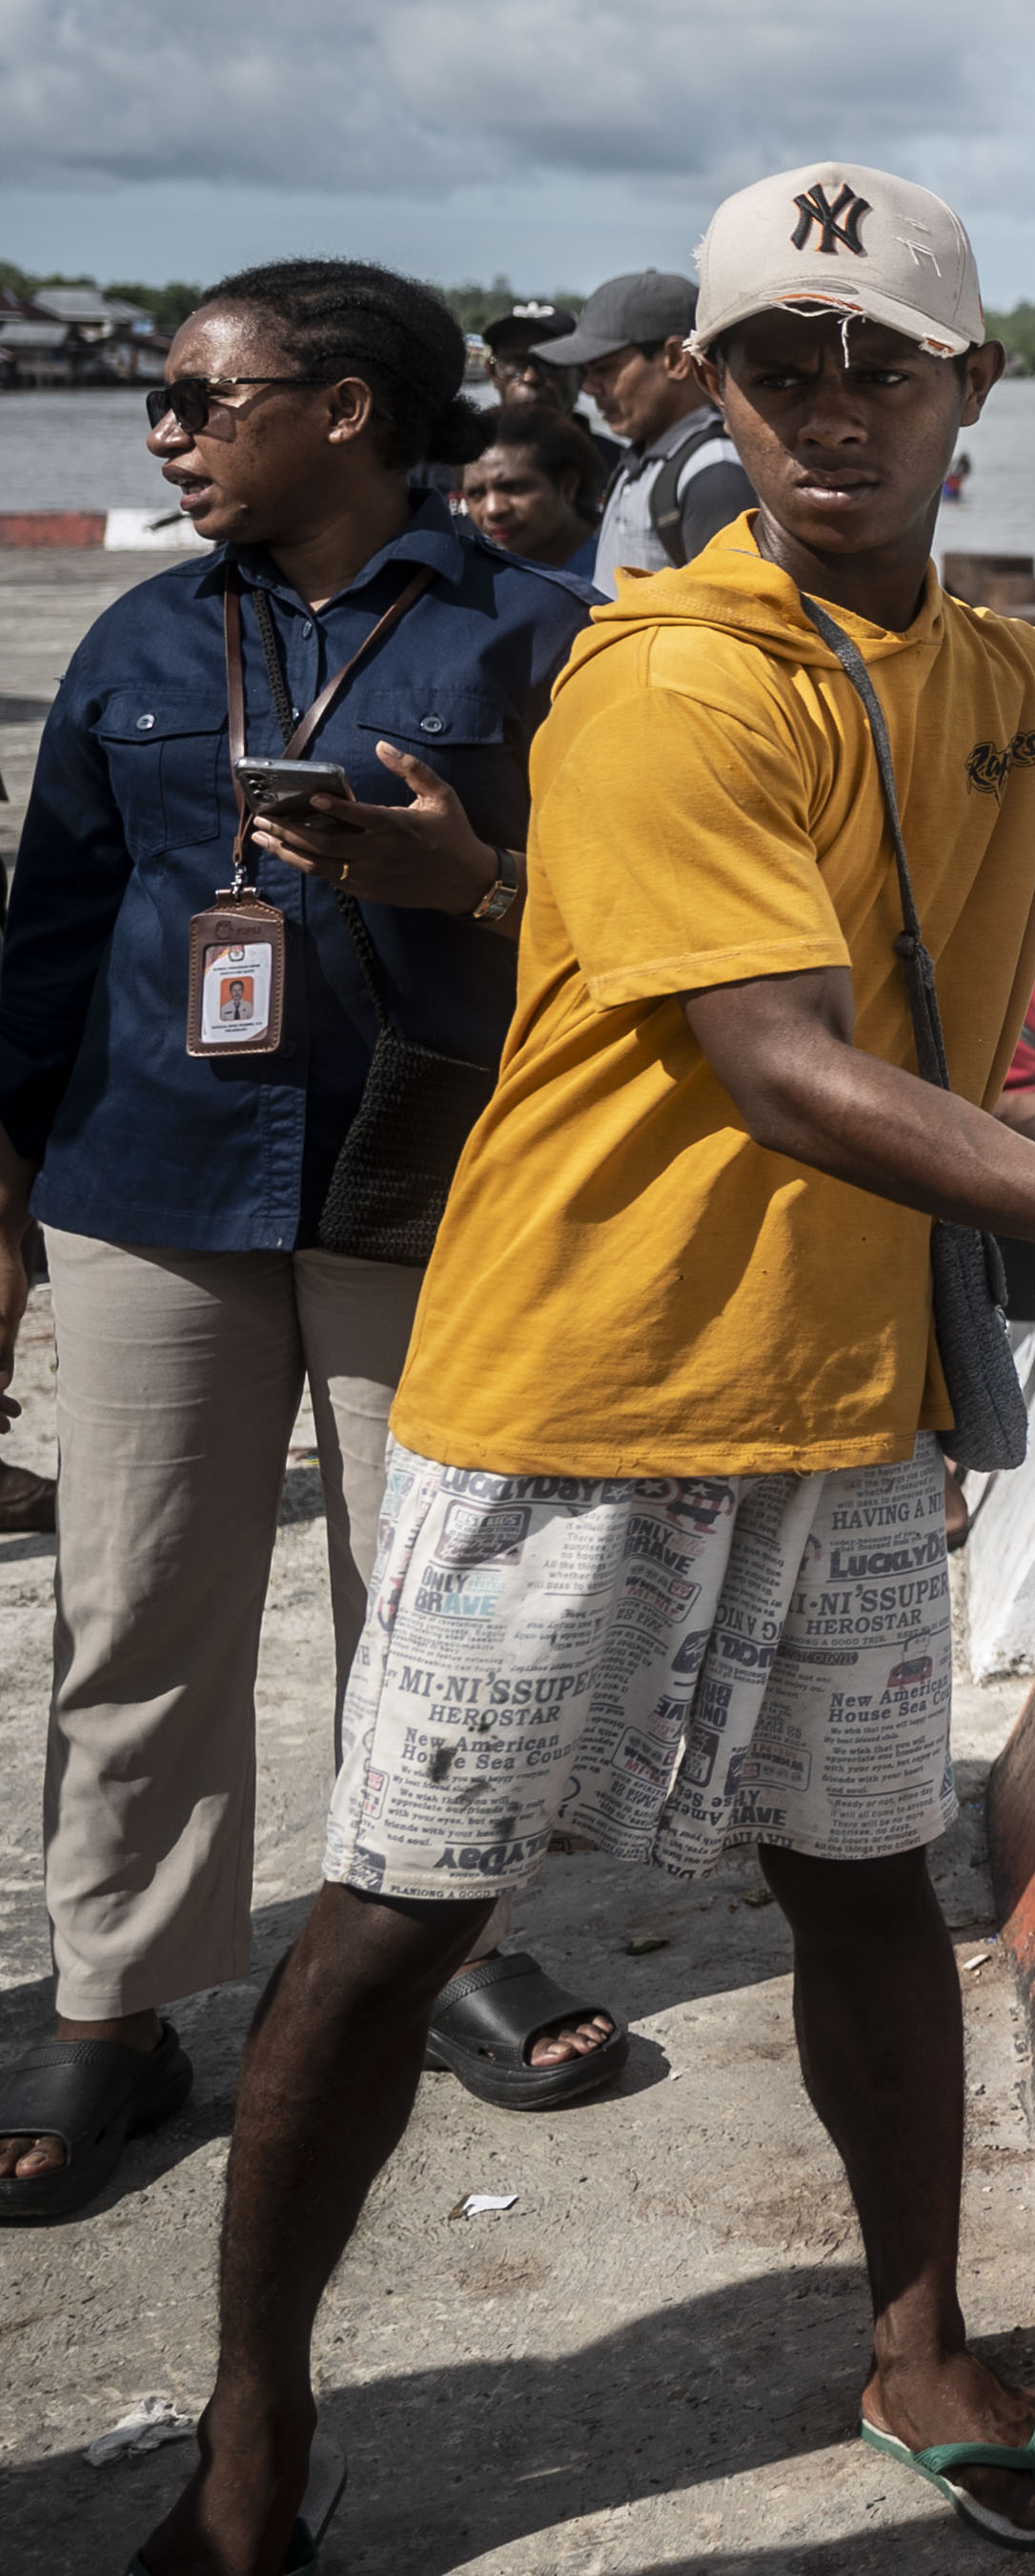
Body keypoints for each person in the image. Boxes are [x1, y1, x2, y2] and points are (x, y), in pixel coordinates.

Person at [128, 164, 1035, 2576]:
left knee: (867, 1872)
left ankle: (915, 2333)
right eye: (782, 368)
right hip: (587, 1380)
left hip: (851, 1394)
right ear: (719, 391)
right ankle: (249, 2423)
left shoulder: (1018, 687)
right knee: (399, 1911)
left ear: (977, 391)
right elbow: (779, 1058)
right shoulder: (671, 665)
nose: (832, 412)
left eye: (884, 365)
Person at [0, 260, 629, 2224]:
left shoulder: (543, 634)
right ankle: (113, 2001)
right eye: (163, 401)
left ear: (344, 408)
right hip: (146, 1178)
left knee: (436, 1599)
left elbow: (640, 921)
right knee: (136, 1601)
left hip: (429, 1179)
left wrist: (481, 875)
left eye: (203, 396)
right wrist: (3, 1191)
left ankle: (438, 1946)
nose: (167, 430)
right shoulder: (137, 635)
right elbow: (50, 926)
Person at [531, 267, 751, 594]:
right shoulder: (643, 459)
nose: (589, 387)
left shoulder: (714, 474)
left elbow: (731, 614)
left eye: (605, 369)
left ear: (676, 359)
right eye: (586, 372)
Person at [458, 409, 612, 586]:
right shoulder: (476, 583)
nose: (493, 510)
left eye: (513, 488)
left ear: (567, 486)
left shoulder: (617, 579)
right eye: (476, 494)